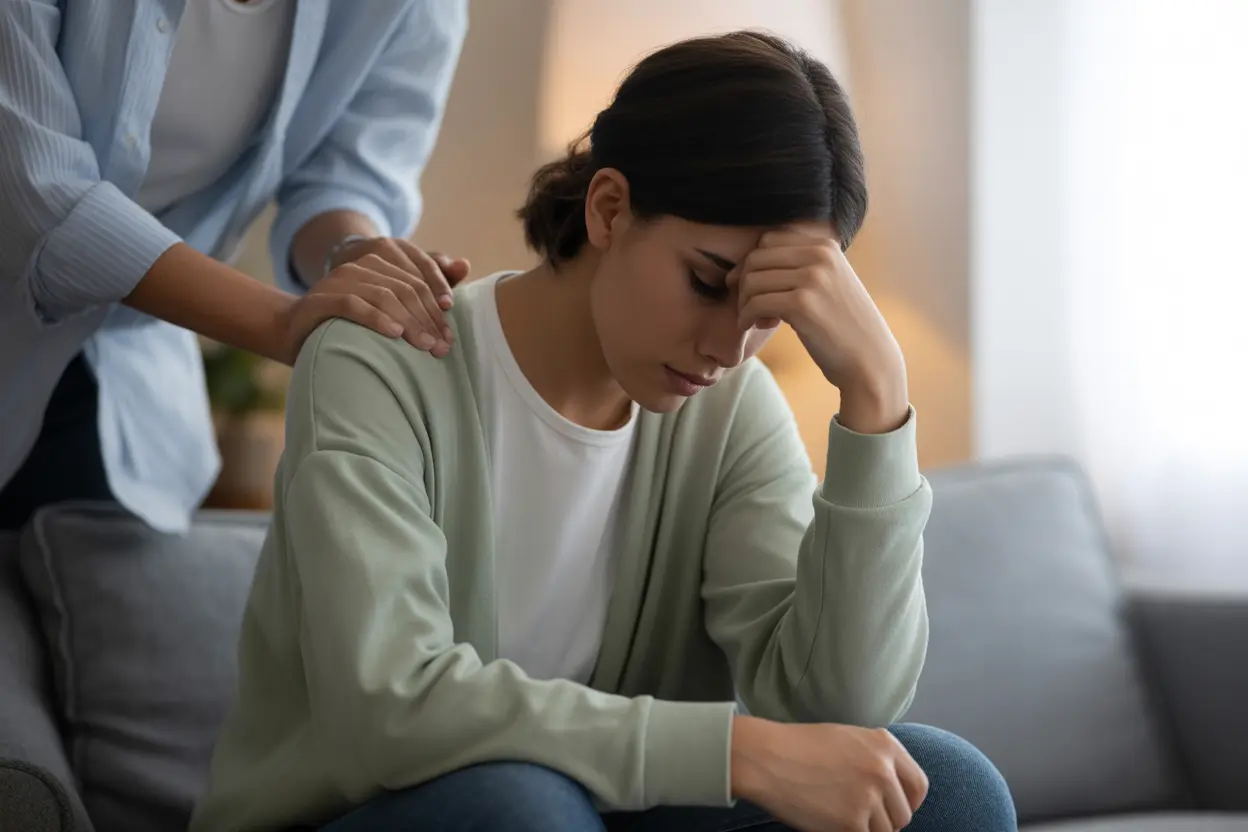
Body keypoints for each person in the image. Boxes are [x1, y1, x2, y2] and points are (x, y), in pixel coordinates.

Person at [192, 31, 1017, 832]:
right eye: (708, 282)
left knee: (945, 790)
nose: (728, 349)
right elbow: (391, 707)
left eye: (769, 311)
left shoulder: (732, 408)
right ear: (610, 208)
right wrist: (735, 753)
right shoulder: (381, 361)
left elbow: (837, 710)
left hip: (603, 813)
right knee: (524, 808)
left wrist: (877, 395)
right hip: (387, 811)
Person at [0, 0, 470, 533]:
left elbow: (344, 176)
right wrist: (283, 323)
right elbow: (35, 192)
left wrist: (353, 253)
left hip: (121, 394)